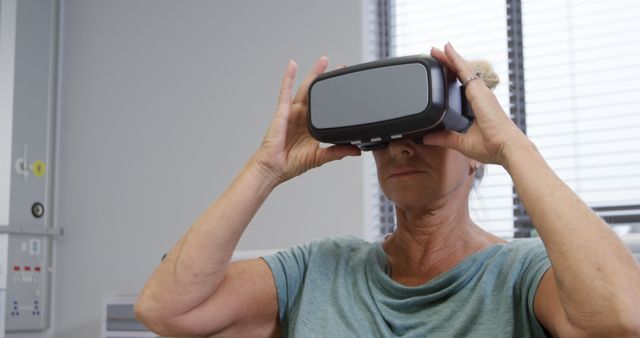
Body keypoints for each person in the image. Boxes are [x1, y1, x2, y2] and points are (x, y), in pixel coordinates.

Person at [134, 43, 640, 337]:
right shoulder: (320, 269)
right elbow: (165, 308)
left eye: (424, 133)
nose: (400, 149)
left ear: (473, 155)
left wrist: (512, 146)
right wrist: (265, 168)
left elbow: (622, 316)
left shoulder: (522, 274)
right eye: (386, 137)